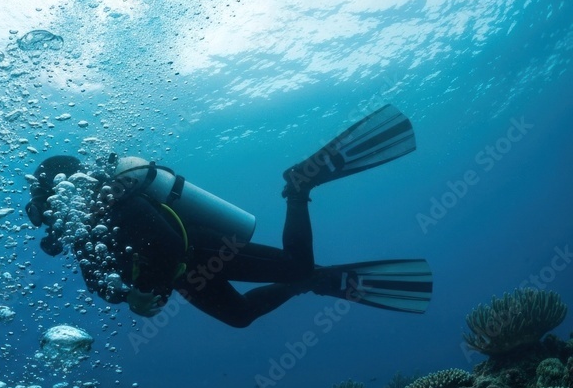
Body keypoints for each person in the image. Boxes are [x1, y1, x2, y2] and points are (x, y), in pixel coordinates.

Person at [24, 105, 433, 328]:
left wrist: (146, 287)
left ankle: (298, 188)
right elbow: (97, 281)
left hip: (202, 249)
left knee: (296, 265)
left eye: (40, 204)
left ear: (61, 191)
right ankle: (308, 282)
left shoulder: (117, 201)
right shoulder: (83, 229)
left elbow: (168, 245)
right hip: (184, 275)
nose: (41, 216)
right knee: (240, 317)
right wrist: (127, 296)